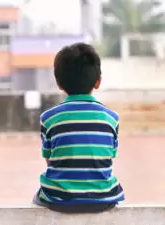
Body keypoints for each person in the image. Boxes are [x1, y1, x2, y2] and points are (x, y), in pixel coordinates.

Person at [33, 43, 124, 213]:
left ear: (59, 83)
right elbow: (108, 156)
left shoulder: (49, 118)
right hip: (103, 198)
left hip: (59, 198)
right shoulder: (111, 118)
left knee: (38, 195)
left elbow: (50, 159)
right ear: (98, 82)